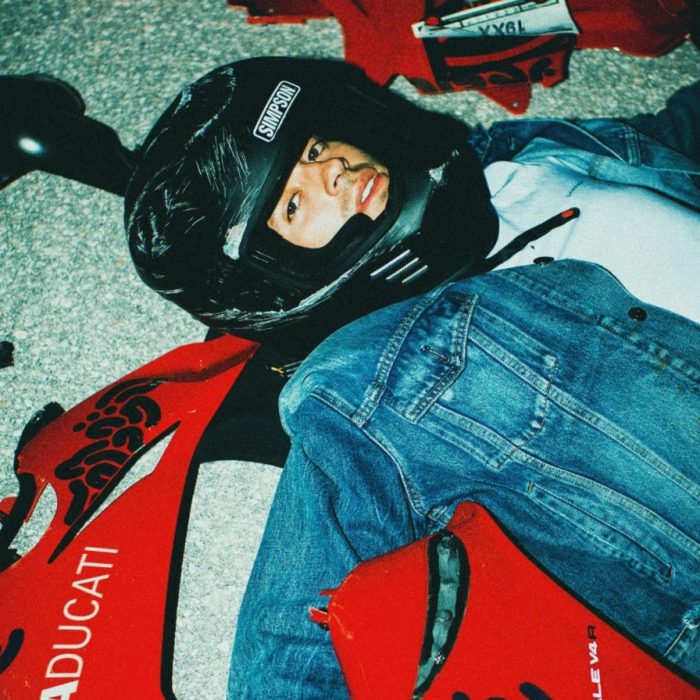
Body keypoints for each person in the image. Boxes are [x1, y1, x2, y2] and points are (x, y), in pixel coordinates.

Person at [123, 58, 700, 696]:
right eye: (292, 203)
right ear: (276, 276)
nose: (331, 171)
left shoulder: (525, 156)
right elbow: (292, 652)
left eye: (312, 149)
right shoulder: (365, 387)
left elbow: (675, 131)